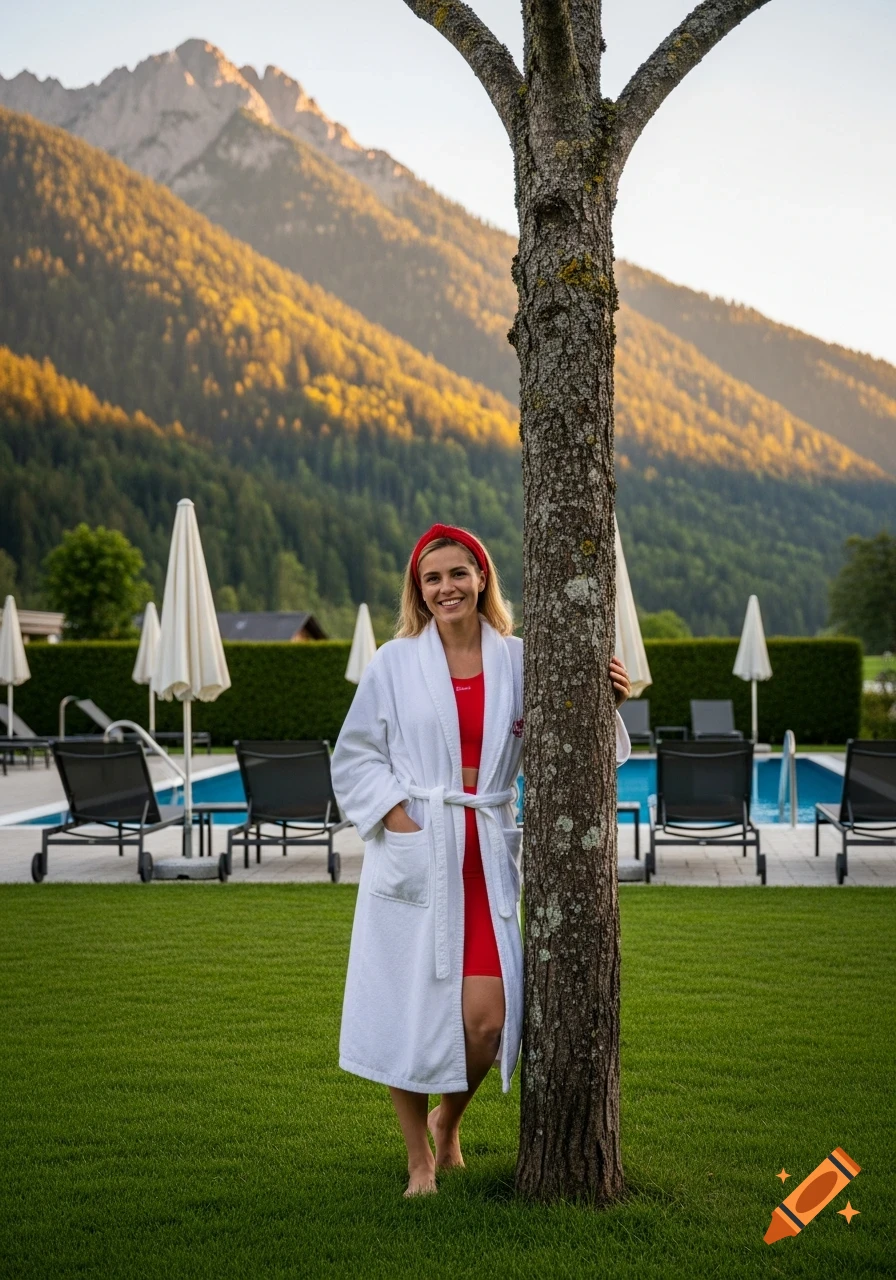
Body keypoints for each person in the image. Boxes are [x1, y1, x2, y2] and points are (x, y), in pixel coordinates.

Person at [330, 523, 632, 1197]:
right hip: (416, 855)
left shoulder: (519, 659)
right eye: (433, 578)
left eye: (458, 573)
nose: (447, 588)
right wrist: (402, 822)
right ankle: (418, 1162)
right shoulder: (394, 663)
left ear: (482, 578)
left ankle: (449, 1120)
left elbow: (574, 746)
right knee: (407, 1012)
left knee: (489, 1024)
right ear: (419, 589)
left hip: (483, 856)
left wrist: (603, 704)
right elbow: (354, 757)